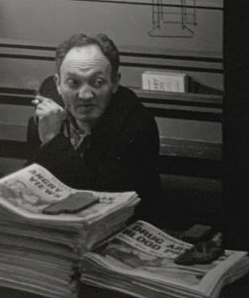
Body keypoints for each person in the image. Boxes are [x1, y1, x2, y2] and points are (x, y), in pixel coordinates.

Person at [27, 33, 161, 222]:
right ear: (58, 84)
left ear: (114, 82)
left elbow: (101, 200)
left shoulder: (137, 126)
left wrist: (52, 141)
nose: (85, 95)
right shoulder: (48, 114)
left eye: (97, 82)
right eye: (73, 82)